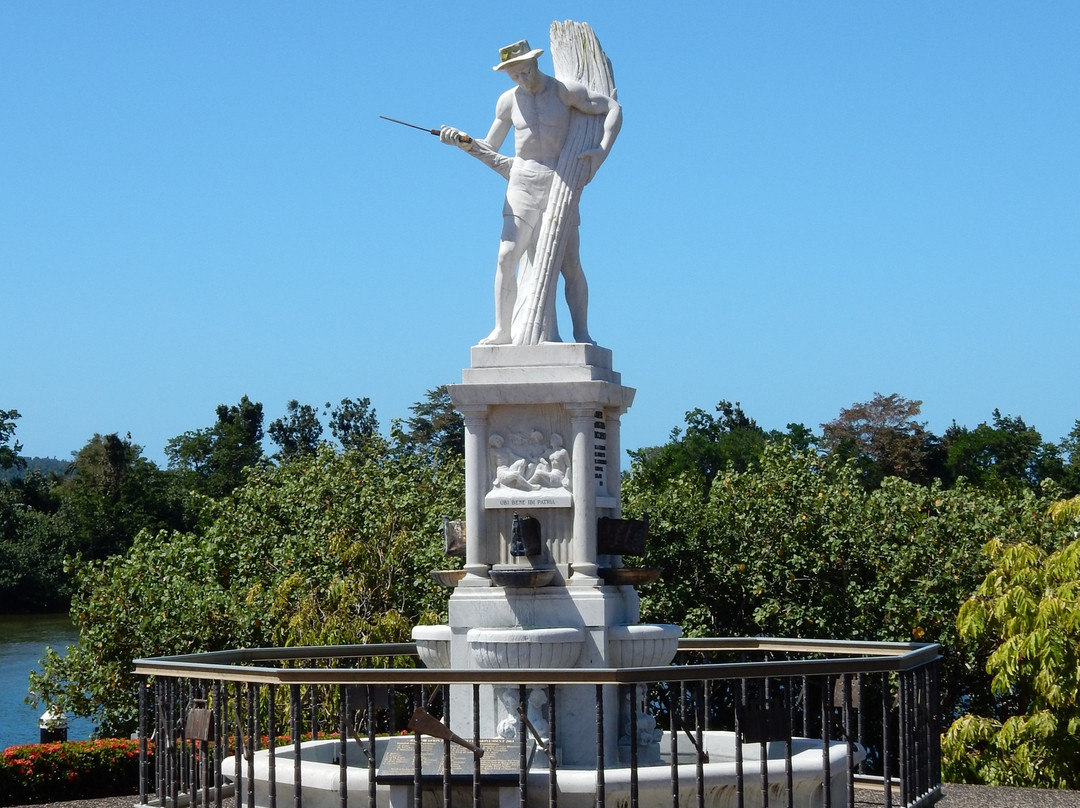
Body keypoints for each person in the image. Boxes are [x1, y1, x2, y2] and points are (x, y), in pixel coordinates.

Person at [441, 39, 621, 345]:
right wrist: (463, 142)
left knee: (570, 263)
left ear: (535, 63)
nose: (522, 80)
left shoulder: (564, 91)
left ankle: (582, 332)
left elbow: (612, 108)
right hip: (522, 182)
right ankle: (502, 330)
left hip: (559, 182)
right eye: (515, 76)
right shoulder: (507, 101)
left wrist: (601, 152)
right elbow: (489, 146)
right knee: (506, 256)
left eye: (526, 72)